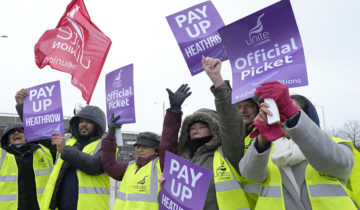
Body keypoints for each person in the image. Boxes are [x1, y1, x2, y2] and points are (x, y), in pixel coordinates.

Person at [239, 81, 359, 209]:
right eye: (280, 113)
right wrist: (262, 139)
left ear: (309, 117)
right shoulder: (269, 151)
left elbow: (338, 165)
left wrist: (294, 119)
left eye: (289, 112)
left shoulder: (334, 144)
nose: (284, 119)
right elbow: (250, 175)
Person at [161, 80, 250, 208]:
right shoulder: (181, 158)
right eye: (192, 128)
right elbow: (167, 145)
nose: (196, 130)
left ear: (214, 129)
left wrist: (218, 83)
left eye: (202, 126)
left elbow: (231, 124)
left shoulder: (226, 154)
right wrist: (174, 111)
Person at [202, 56, 259, 208]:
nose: (243, 110)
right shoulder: (227, 141)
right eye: (238, 106)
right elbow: (230, 119)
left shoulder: (269, 137)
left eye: (249, 105)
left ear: (258, 107)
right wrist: (217, 80)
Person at [101, 110, 180, 210]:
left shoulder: (160, 165)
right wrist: (110, 135)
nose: (139, 149)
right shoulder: (130, 167)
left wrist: (174, 111)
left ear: (156, 150)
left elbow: (168, 142)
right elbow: (109, 165)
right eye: (138, 146)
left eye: (145, 146)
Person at [39, 105, 110, 210]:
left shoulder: (106, 145)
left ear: (97, 125)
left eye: (88, 121)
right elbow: (39, 135)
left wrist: (65, 150)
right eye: (81, 121)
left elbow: (95, 166)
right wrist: (23, 107)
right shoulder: (67, 139)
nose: (83, 124)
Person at [0, 123, 53, 210]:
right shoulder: (2, 155)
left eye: (20, 130)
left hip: (40, 206)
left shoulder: (44, 151)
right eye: (12, 132)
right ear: (8, 139)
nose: (16, 133)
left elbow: (60, 145)